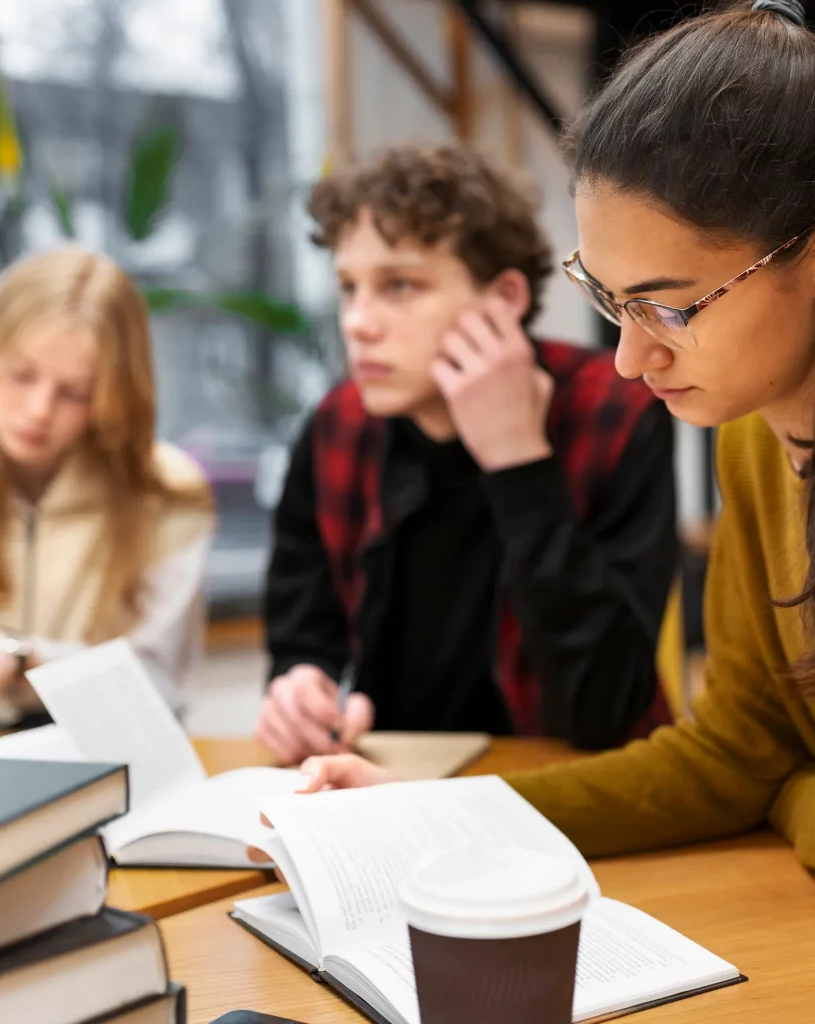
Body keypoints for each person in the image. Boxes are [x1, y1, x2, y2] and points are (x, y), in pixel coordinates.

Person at [292, 0, 815, 940]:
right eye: (607, 297)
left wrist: (793, 794)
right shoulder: (753, 425)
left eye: (671, 308)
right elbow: (734, 753)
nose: (630, 361)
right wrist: (443, 811)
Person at [257, 144, 677, 762]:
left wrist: (517, 460)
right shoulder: (336, 428)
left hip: (568, 790)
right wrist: (299, 692)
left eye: (400, 285)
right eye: (349, 288)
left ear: (505, 298)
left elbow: (605, 712)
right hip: (388, 786)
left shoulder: (613, 414)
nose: (358, 322)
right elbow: (302, 644)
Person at [0, 247, 215, 722]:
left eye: (74, 393)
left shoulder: (166, 493)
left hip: (98, 747)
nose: (38, 411)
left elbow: (158, 682)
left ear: (113, 397)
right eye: (21, 375)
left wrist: (22, 656)